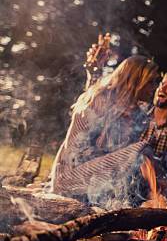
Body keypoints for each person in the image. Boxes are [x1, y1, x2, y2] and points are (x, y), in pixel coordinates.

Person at [50, 56, 160, 208]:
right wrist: (130, 154)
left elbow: (121, 162)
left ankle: (149, 203)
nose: (155, 87)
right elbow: (76, 154)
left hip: (99, 181)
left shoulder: (137, 114)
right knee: (141, 150)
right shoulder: (100, 100)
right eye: (151, 82)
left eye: (156, 82)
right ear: (135, 81)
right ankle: (156, 199)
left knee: (141, 155)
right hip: (70, 177)